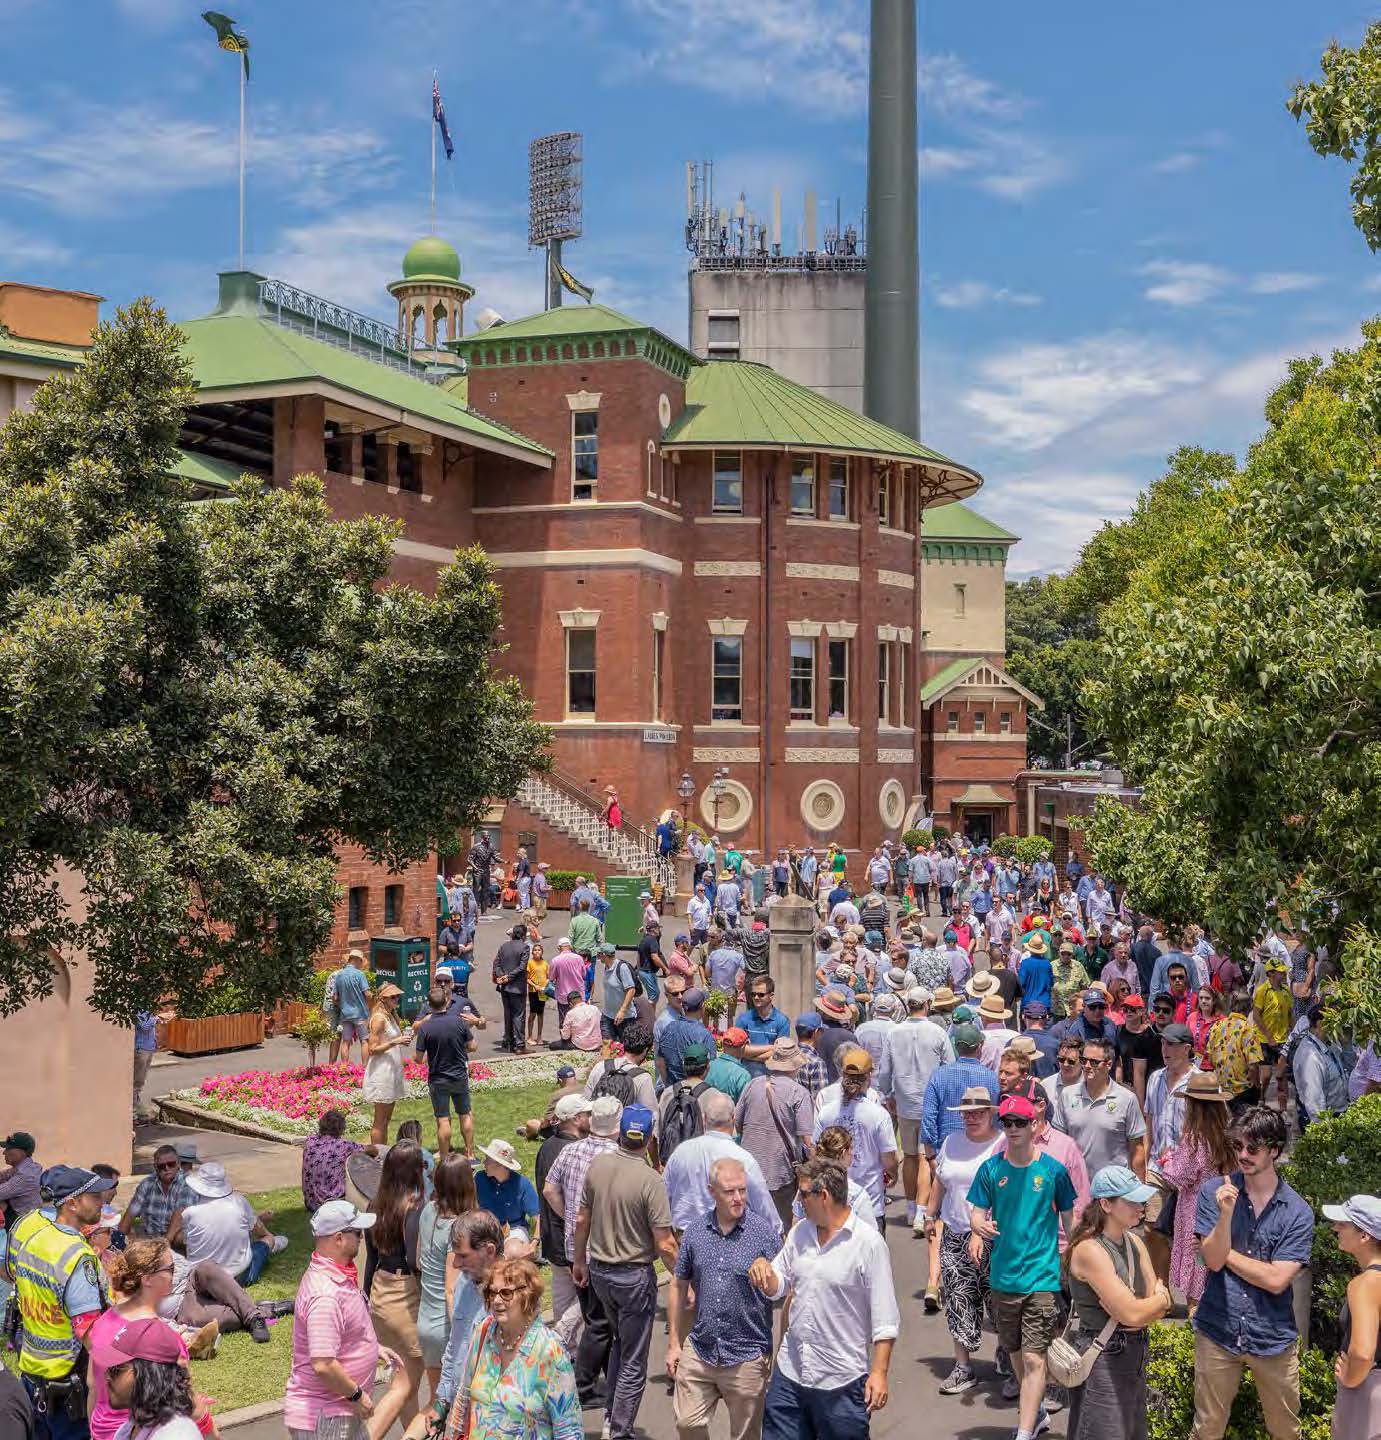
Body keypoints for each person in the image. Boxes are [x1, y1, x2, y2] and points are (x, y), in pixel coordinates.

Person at [750, 1156, 899, 1440]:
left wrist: (879, 1373)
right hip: (790, 1374)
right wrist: (764, 1271)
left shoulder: (868, 1245)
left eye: (804, 1194)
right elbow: (780, 1282)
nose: (798, 1200)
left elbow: (885, 1319)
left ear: (825, 1196)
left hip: (840, 1381)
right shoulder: (800, 1233)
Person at [1191, 1106, 1314, 1440]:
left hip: (1272, 1337)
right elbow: (1212, 1262)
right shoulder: (1215, 1192)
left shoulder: (1297, 1212)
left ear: (1274, 1150)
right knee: (1207, 1429)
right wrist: (1225, 1216)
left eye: (1252, 1149)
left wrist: (1224, 1252)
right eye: (1237, 1147)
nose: (1242, 1155)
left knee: (1286, 1431)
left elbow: (1276, 1281)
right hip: (1218, 1329)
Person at [968, 1094, 1077, 1440]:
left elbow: (1071, 1223)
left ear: (1034, 1125)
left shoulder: (1054, 1171)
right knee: (1015, 1353)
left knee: (1033, 1358)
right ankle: (1038, 1409)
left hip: (1042, 1278)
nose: (1012, 1128)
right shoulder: (990, 1169)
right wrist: (978, 1225)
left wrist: (1076, 1263)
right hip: (1003, 1277)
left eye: (1019, 1122)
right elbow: (975, 1212)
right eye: (1007, 1122)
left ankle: (1024, 1431)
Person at [572, 1105, 678, 1440]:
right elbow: (665, 1243)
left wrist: (579, 1260)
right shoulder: (651, 1181)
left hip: (601, 1274)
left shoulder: (598, 1166)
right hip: (633, 1278)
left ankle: (611, 1417)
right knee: (634, 1359)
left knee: (619, 1342)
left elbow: (581, 1220)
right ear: (648, 1139)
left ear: (621, 1133)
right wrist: (683, 1277)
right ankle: (619, 1430)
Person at [666, 1156, 778, 1440]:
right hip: (701, 1348)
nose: (738, 1197)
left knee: (745, 1435)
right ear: (711, 1191)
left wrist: (770, 1273)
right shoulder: (695, 1232)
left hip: (747, 1354)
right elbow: (678, 1285)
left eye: (742, 1189)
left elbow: (787, 1286)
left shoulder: (763, 1233)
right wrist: (674, 1343)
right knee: (687, 1423)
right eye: (730, 1191)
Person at [1063, 1166, 1171, 1440]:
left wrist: (1154, 1302)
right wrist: (1153, 1303)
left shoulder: (1134, 1241)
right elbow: (1135, 1312)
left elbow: (1157, 1304)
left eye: (1142, 1200)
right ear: (1106, 1204)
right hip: (1104, 1355)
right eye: (1132, 1201)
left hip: (1134, 1352)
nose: (1142, 1207)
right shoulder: (1089, 1249)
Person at [8, 1165, 114, 1438]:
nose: (101, 1202)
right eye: (93, 1196)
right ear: (72, 1204)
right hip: (69, 1387)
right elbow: (91, 1333)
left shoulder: (34, 1239)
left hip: (32, 1376)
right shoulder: (78, 1258)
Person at [287, 1200, 401, 1440]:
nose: (362, 1237)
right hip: (328, 1417)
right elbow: (323, 1364)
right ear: (338, 1238)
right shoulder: (325, 1295)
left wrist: (372, 1347)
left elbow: (343, 1331)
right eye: (357, 1233)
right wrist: (356, 1395)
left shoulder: (338, 1273)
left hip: (339, 1411)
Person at [441, 1256, 581, 1440]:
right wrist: (452, 1435)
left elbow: (569, 1430)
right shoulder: (484, 1330)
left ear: (527, 1295)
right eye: (492, 1293)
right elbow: (464, 1394)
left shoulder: (550, 1350)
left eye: (506, 1293)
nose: (497, 1300)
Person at [541, 1096, 622, 1405]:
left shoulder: (571, 1150)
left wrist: (569, 1216)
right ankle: (582, 1384)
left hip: (576, 1248)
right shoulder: (616, 1156)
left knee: (595, 1318)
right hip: (605, 1250)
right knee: (602, 1323)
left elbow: (550, 1189)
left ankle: (599, 1379)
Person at [925, 1087, 1001, 1395]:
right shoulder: (951, 1142)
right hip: (955, 1233)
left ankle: (1010, 1362)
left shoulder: (1002, 1144)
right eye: (967, 1113)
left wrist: (983, 1230)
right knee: (958, 1300)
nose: (972, 1118)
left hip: (993, 1236)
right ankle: (963, 1366)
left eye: (979, 1113)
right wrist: (929, 1216)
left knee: (999, 1303)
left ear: (990, 1114)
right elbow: (941, 1182)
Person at [88, 1242, 200, 1440]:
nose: (175, 1273)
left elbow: (93, 1386)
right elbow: (185, 1400)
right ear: (148, 1279)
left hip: (100, 1430)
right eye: (171, 1269)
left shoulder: (102, 1322)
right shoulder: (161, 1339)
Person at [878, 986, 954, 1234]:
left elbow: (885, 1071)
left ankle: (912, 1209)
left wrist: (888, 1094)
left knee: (911, 1156)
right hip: (930, 1103)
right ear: (927, 1005)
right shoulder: (937, 1032)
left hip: (904, 1102)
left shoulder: (894, 1033)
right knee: (924, 1156)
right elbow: (949, 1067)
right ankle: (921, 1212)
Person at [1159, 1071, 1236, 1305]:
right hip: (1222, 1205)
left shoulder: (1195, 1138)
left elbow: (1178, 1176)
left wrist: (1167, 1160)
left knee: (1196, 1276)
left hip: (1195, 1209)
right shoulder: (1229, 1134)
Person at [364, 1140, 426, 1428]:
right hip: (406, 1295)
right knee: (404, 1385)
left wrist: (366, 1301)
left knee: (405, 1386)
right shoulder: (415, 1208)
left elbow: (370, 1259)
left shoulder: (374, 1205)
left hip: (380, 1292)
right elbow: (416, 1262)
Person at [663, 1090, 780, 1237]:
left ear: (704, 1119)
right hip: (726, 1240)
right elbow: (764, 1207)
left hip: (684, 1236)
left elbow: (664, 1195)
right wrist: (777, 1233)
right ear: (733, 1118)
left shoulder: (680, 1152)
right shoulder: (744, 1159)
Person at [433, 1210, 506, 1428]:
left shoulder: (512, 1297)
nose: (455, 1264)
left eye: (462, 1256)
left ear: (489, 1251)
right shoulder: (464, 1283)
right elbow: (454, 1346)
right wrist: (443, 1399)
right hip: (461, 1413)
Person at [735, 1038, 816, 1231]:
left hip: (748, 1169)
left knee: (748, 1228)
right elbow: (807, 1140)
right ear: (795, 1066)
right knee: (783, 1229)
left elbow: (737, 1125)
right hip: (781, 1173)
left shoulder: (752, 1085)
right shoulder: (799, 1093)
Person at [813, 1048, 897, 1228]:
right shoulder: (878, 1115)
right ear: (868, 1076)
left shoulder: (827, 1112)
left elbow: (815, 1154)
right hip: (871, 1204)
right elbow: (889, 1159)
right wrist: (893, 1175)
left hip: (834, 1203)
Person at [417, 1155, 479, 1398]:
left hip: (425, 1321)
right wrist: (460, 1336)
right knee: (458, 1406)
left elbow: (418, 1260)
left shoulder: (427, 1211)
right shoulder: (459, 1227)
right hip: (447, 1325)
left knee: (436, 1404)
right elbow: (452, 1288)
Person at [169, 1161, 286, 1288]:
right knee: (267, 1240)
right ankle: (271, 1245)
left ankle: (267, 1245)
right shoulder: (239, 1202)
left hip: (202, 1282)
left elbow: (184, 1242)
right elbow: (261, 1232)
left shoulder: (189, 1214)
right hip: (240, 1277)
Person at [535, 1095, 590, 1354]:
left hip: (552, 1238)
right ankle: (560, 1338)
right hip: (569, 1239)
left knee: (562, 1300)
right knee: (590, 1297)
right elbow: (555, 1193)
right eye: (587, 1114)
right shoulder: (570, 1152)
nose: (591, 1118)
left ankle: (564, 1359)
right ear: (576, 1119)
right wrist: (571, 1218)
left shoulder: (546, 1147)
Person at [1324, 1194, 1381, 1439]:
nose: (1335, 1228)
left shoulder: (1365, 1284)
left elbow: (1362, 1353)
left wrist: (1349, 1378)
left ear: (1364, 1236)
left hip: (1368, 1397)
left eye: (1343, 1224)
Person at [1054, 1036, 1148, 1181]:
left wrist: (1140, 1192)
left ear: (1109, 1064)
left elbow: (1137, 1149)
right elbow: (1059, 1144)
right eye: (1084, 1060)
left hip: (1114, 1189)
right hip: (1076, 1187)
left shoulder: (1127, 1099)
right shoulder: (1067, 1095)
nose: (1087, 1066)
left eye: (1094, 1062)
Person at [90, 1318, 197, 1440]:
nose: (107, 1376)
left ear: (148, 1373)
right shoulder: (131, 1428)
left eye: (116, 1369)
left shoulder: (173, 1435)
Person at [413, 986, 478, 1159]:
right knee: (465, 1114)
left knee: (443, 1119)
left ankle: (444, 1155)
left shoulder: (425, 1028)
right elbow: (473, 1046)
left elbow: (418, 1058)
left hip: (438, 1078)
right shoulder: (459, 1022)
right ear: (447, 1002)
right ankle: (470, 1153)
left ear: (429, 1005)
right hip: (459, 1075)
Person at [362, 981, 411, 1145]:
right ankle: (377, 1155)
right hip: (382, 1072)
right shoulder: (378, 1019)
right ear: (383, 999)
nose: (397, 999)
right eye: (393, 997)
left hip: (392, 1070)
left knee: (387, 1119)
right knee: (380, 1120)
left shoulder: (391, 1015)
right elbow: (372, 1049)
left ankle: (383, 1152)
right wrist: (395, 1042)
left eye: (398, 996)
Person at [1292, 1002, 1349, 1129]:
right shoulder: (1311, 1057)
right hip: (1325, 1120)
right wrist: (1326, 1131)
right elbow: (1315, 1102)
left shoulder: (1329, 1044)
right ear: (1320, 1024)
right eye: (1334, 1021)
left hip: (1338, 1114)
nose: (1338, 1025)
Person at [119, 1147, 193, 1240]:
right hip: (149, 1237)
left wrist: (163, 1245)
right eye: (161, 1166)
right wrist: (119, 1238)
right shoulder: (147, 1183)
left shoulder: (187, 1183)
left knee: (180, 1237)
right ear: (155, 1167)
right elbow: (131, 1212)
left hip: (175, 1239)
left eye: (171, 1164)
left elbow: (179, 1216)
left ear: (178, 1164)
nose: (166, 1168)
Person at [474, 1141, 540, 1245]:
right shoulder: (479, 1178)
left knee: (513, 1250)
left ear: (500, 1164)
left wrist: (534, 1242)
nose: (484, 1162)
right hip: (485, 1228)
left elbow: (539, 1217)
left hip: (514, 1229)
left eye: (487, 1159)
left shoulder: (522, 1184)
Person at [735, 976, 791, 1077]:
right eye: (753, 994)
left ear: (771, 996)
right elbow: (738, 1050)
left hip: (772, 1079)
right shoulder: (744, 1019)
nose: (756, 998)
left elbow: (779, 1053)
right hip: (747, 1078)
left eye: (761, 995)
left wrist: (749, 1055)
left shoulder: (782, 1021)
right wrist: (771, 1047)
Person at [326, 949, 372, 1067]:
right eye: (361, 962)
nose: (362, 965)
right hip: (360, 1014)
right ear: (357, 960)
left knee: (345, 1042)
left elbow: (335, 998)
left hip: (345, 1014)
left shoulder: (339, 975)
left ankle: (344, 1068)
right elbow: (367, 994)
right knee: (364, 1041)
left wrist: (343, 1005)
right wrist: (371, 1005)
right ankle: (365, 1068)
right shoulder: (360, 974)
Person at [0, 1131, 43, 1226]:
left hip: (24, 1223)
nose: (4, 1152)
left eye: (8, 1149)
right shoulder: (26, 1167)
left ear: (22, 1152)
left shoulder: (26, 1175)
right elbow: (2, 1176)